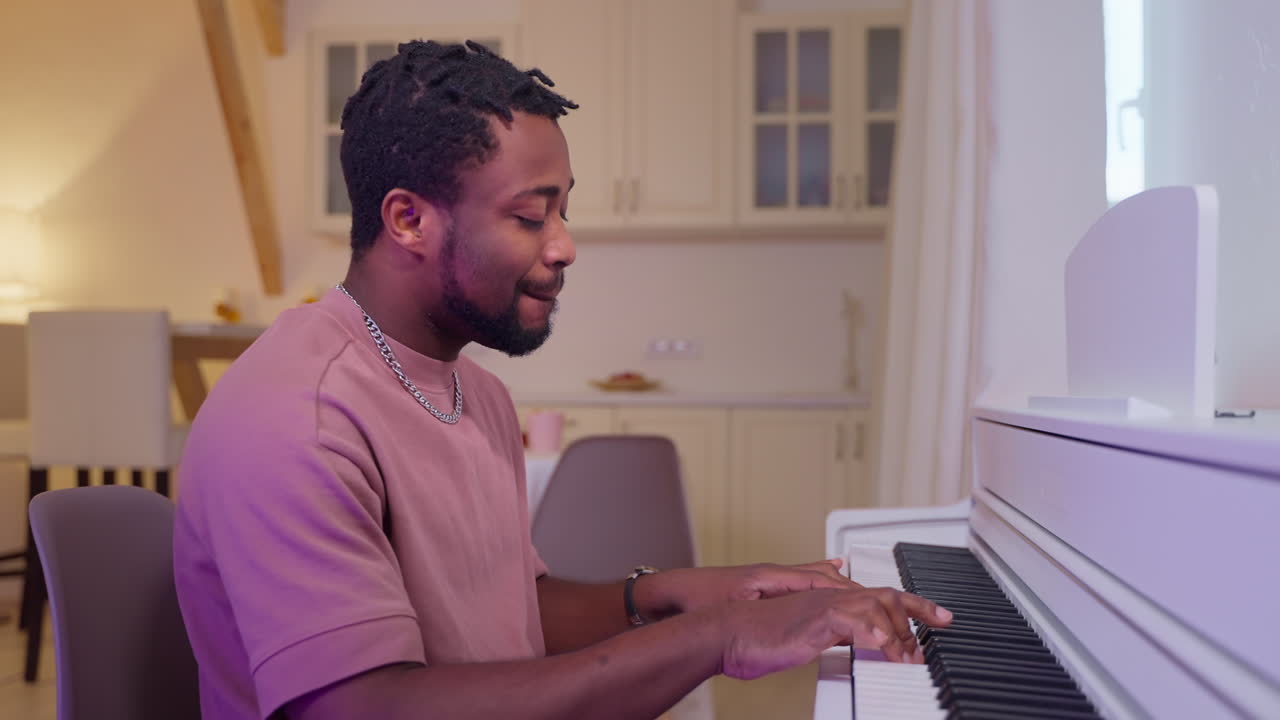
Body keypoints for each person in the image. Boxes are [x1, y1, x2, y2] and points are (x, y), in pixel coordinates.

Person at [172, 40, 951, 720]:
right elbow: (366, 709)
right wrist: (718, 638)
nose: (565, 246)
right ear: (409, 220)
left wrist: (685, 594)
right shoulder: (298, 418)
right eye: (529, 216)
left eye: (563, 212)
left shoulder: (474, 392)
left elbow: (511, 611)